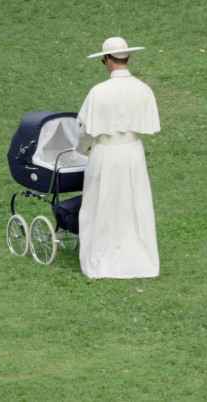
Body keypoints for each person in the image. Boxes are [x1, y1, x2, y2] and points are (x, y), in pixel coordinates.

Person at [75, 37, 161, 279]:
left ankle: (103, 259)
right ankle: (139, 259)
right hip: (133, 153)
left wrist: (80, 149)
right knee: (134, 203)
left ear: (107, 60)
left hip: (105, 152)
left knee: (102, 203)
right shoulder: (143, 89)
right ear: (127, 57)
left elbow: (85, 129)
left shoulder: (98, 92)